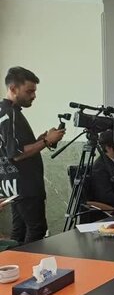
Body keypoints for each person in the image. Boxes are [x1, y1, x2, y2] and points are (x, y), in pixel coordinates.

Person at [0, 67, 65, 244]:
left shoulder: (4, 112)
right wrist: (46, 141)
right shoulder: (10, 114)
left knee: (19, 231)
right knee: (37, 230)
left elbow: (12, 148)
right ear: (13, 89)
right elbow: (16, 154)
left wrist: (39, 140)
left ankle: (13, 261)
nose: (34, 96)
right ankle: (29, 261)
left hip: (14, 185)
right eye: (29, 91)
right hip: (25, 185)